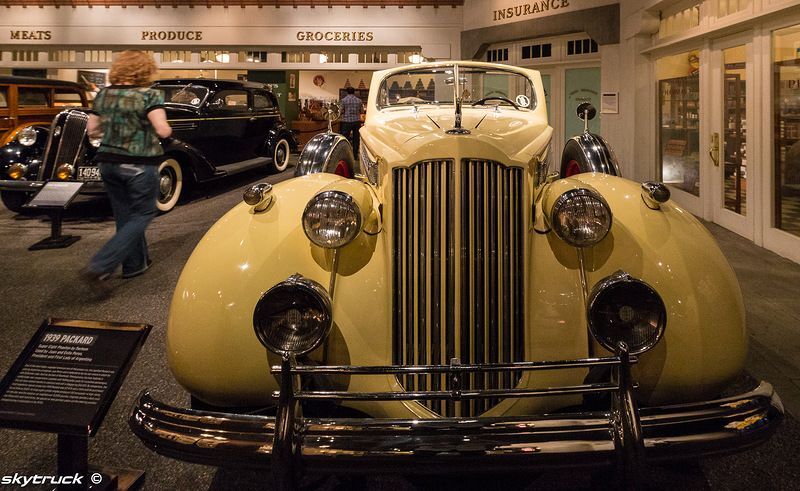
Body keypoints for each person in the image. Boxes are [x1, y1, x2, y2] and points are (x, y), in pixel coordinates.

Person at [81, 50, 172, 295]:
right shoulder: (149, 95)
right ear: (144, 69)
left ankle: (134, 265)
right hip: (139, 163)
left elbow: (92, 130)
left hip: (108, 162)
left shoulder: (103, 94)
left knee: (125, 216)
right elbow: (162, 130)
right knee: (143, 213)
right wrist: (164, 130)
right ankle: (101, 265)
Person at [340, 86, 363, 156]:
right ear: (354, 92)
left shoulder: (344, 100)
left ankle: (346, 154)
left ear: (347, 92)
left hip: (346, 121)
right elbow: (362, 111)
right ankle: (355, 155)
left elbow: (341, 111)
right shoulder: (359, 100)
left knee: (345, 138)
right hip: (356, 121)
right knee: (356, 138)